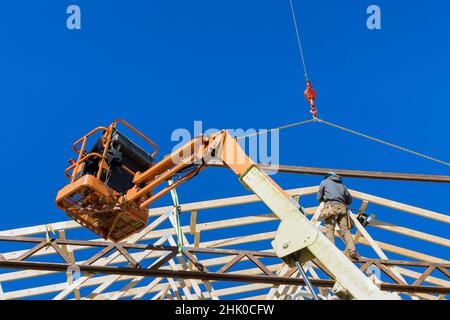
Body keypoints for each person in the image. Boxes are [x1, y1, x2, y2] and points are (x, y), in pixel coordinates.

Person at [317, 172, 360, 260]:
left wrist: (323, 200)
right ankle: (353, 251)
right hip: (343, 207)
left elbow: (319, 196)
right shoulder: (342, 186)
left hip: (331, 206)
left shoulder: (325, 182)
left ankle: (331, 249)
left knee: (330, 228)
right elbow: (349, 200)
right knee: (345, 230)